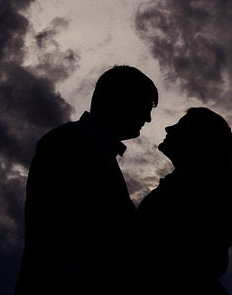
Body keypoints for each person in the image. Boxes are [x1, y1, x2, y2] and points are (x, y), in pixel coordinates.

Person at [14, 65, 158, 295]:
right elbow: (57, 230)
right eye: (143, 105)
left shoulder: (86, 144)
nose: (148, 118)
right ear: (117, 98)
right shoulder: (73, 142)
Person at [134, 107, 232, 295]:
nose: (168, 129)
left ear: (198, 141)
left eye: (180, 126)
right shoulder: (192, 189)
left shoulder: (189, 192)